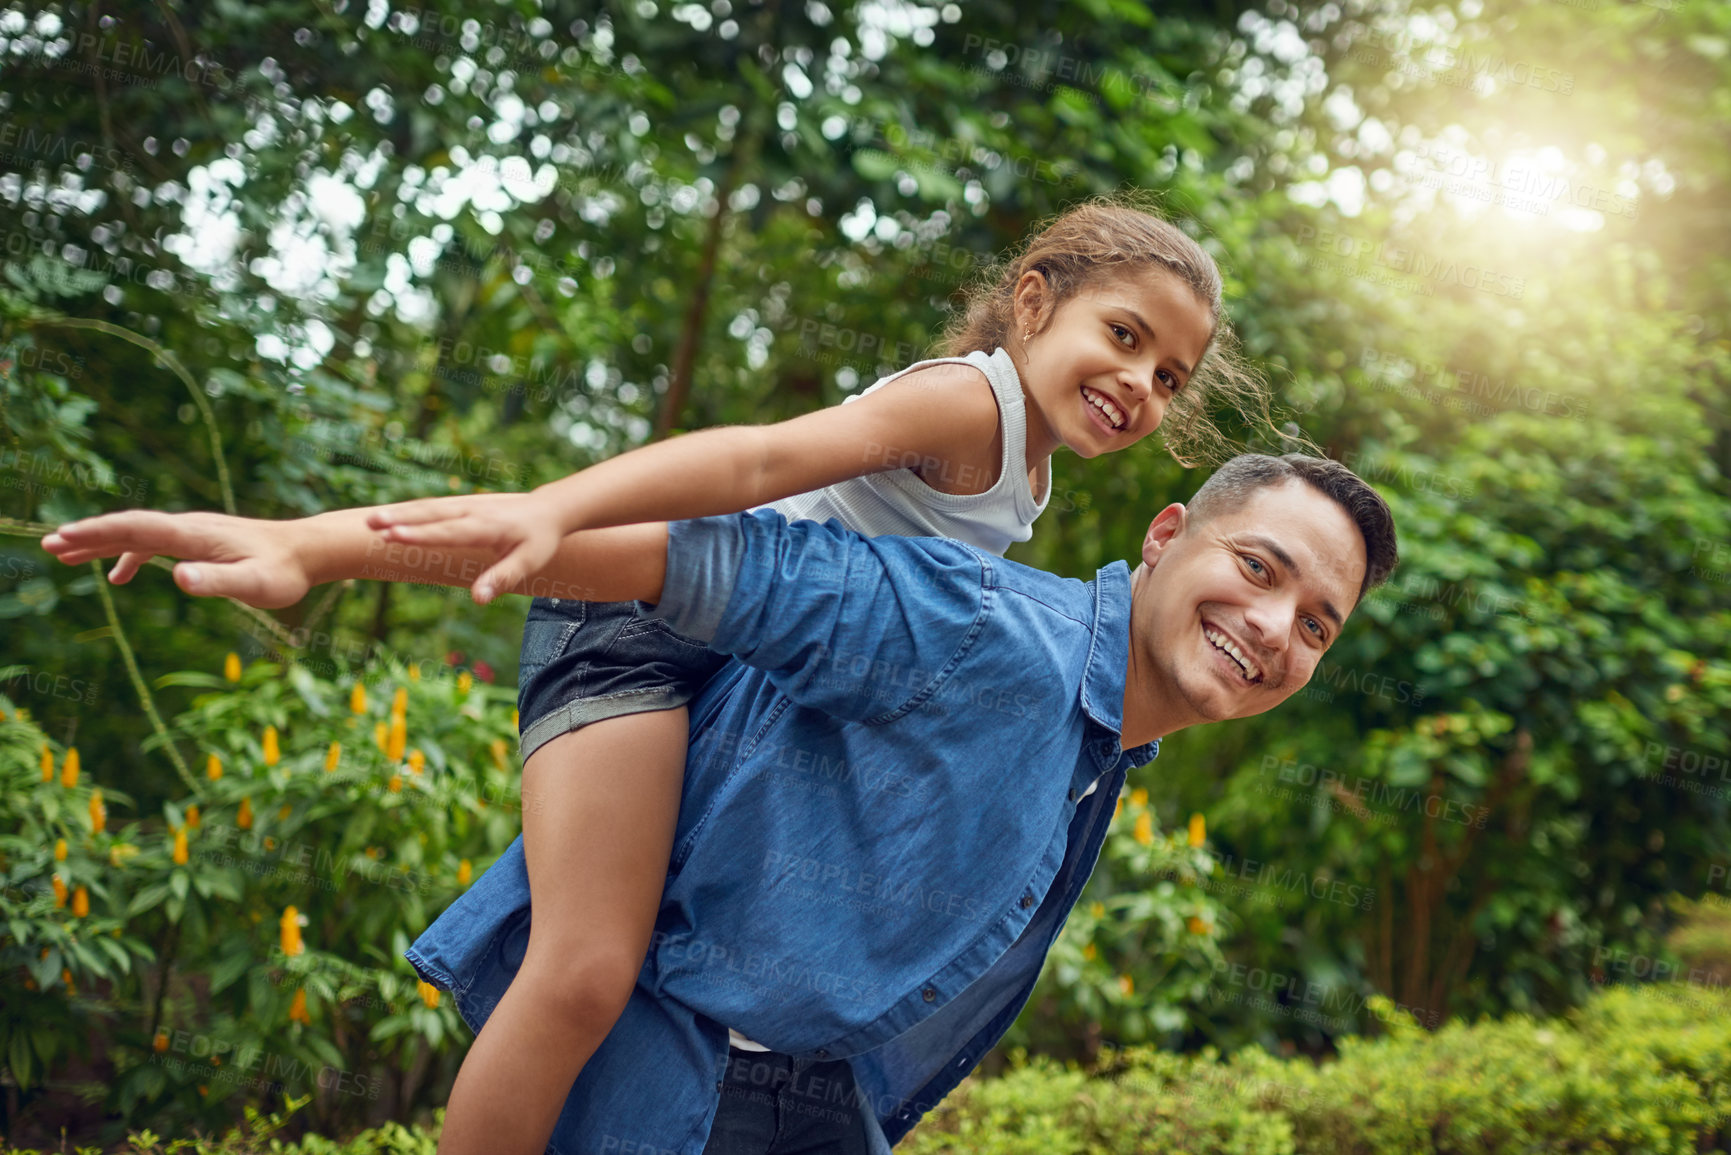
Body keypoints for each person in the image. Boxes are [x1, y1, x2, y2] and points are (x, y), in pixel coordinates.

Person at [239, 198, 1262, 1155]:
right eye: (1125, 337)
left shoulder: (1025, 479)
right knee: (586, 971)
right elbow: (759, 465)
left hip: (739, 666)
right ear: (1034, 301)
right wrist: (557, 510)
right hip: (638, 625)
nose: (1141, 383)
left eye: (1170, 376)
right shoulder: (968, 404)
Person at [42, 451, 1397, 1154]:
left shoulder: (1102, 732)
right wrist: (312, 547)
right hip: (674, 1085)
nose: (1271, 623)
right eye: (1258, 565)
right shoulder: (984, 628)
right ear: (1165, 535)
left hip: (812, 1102)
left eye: (1314, 621)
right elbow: (673, 556)